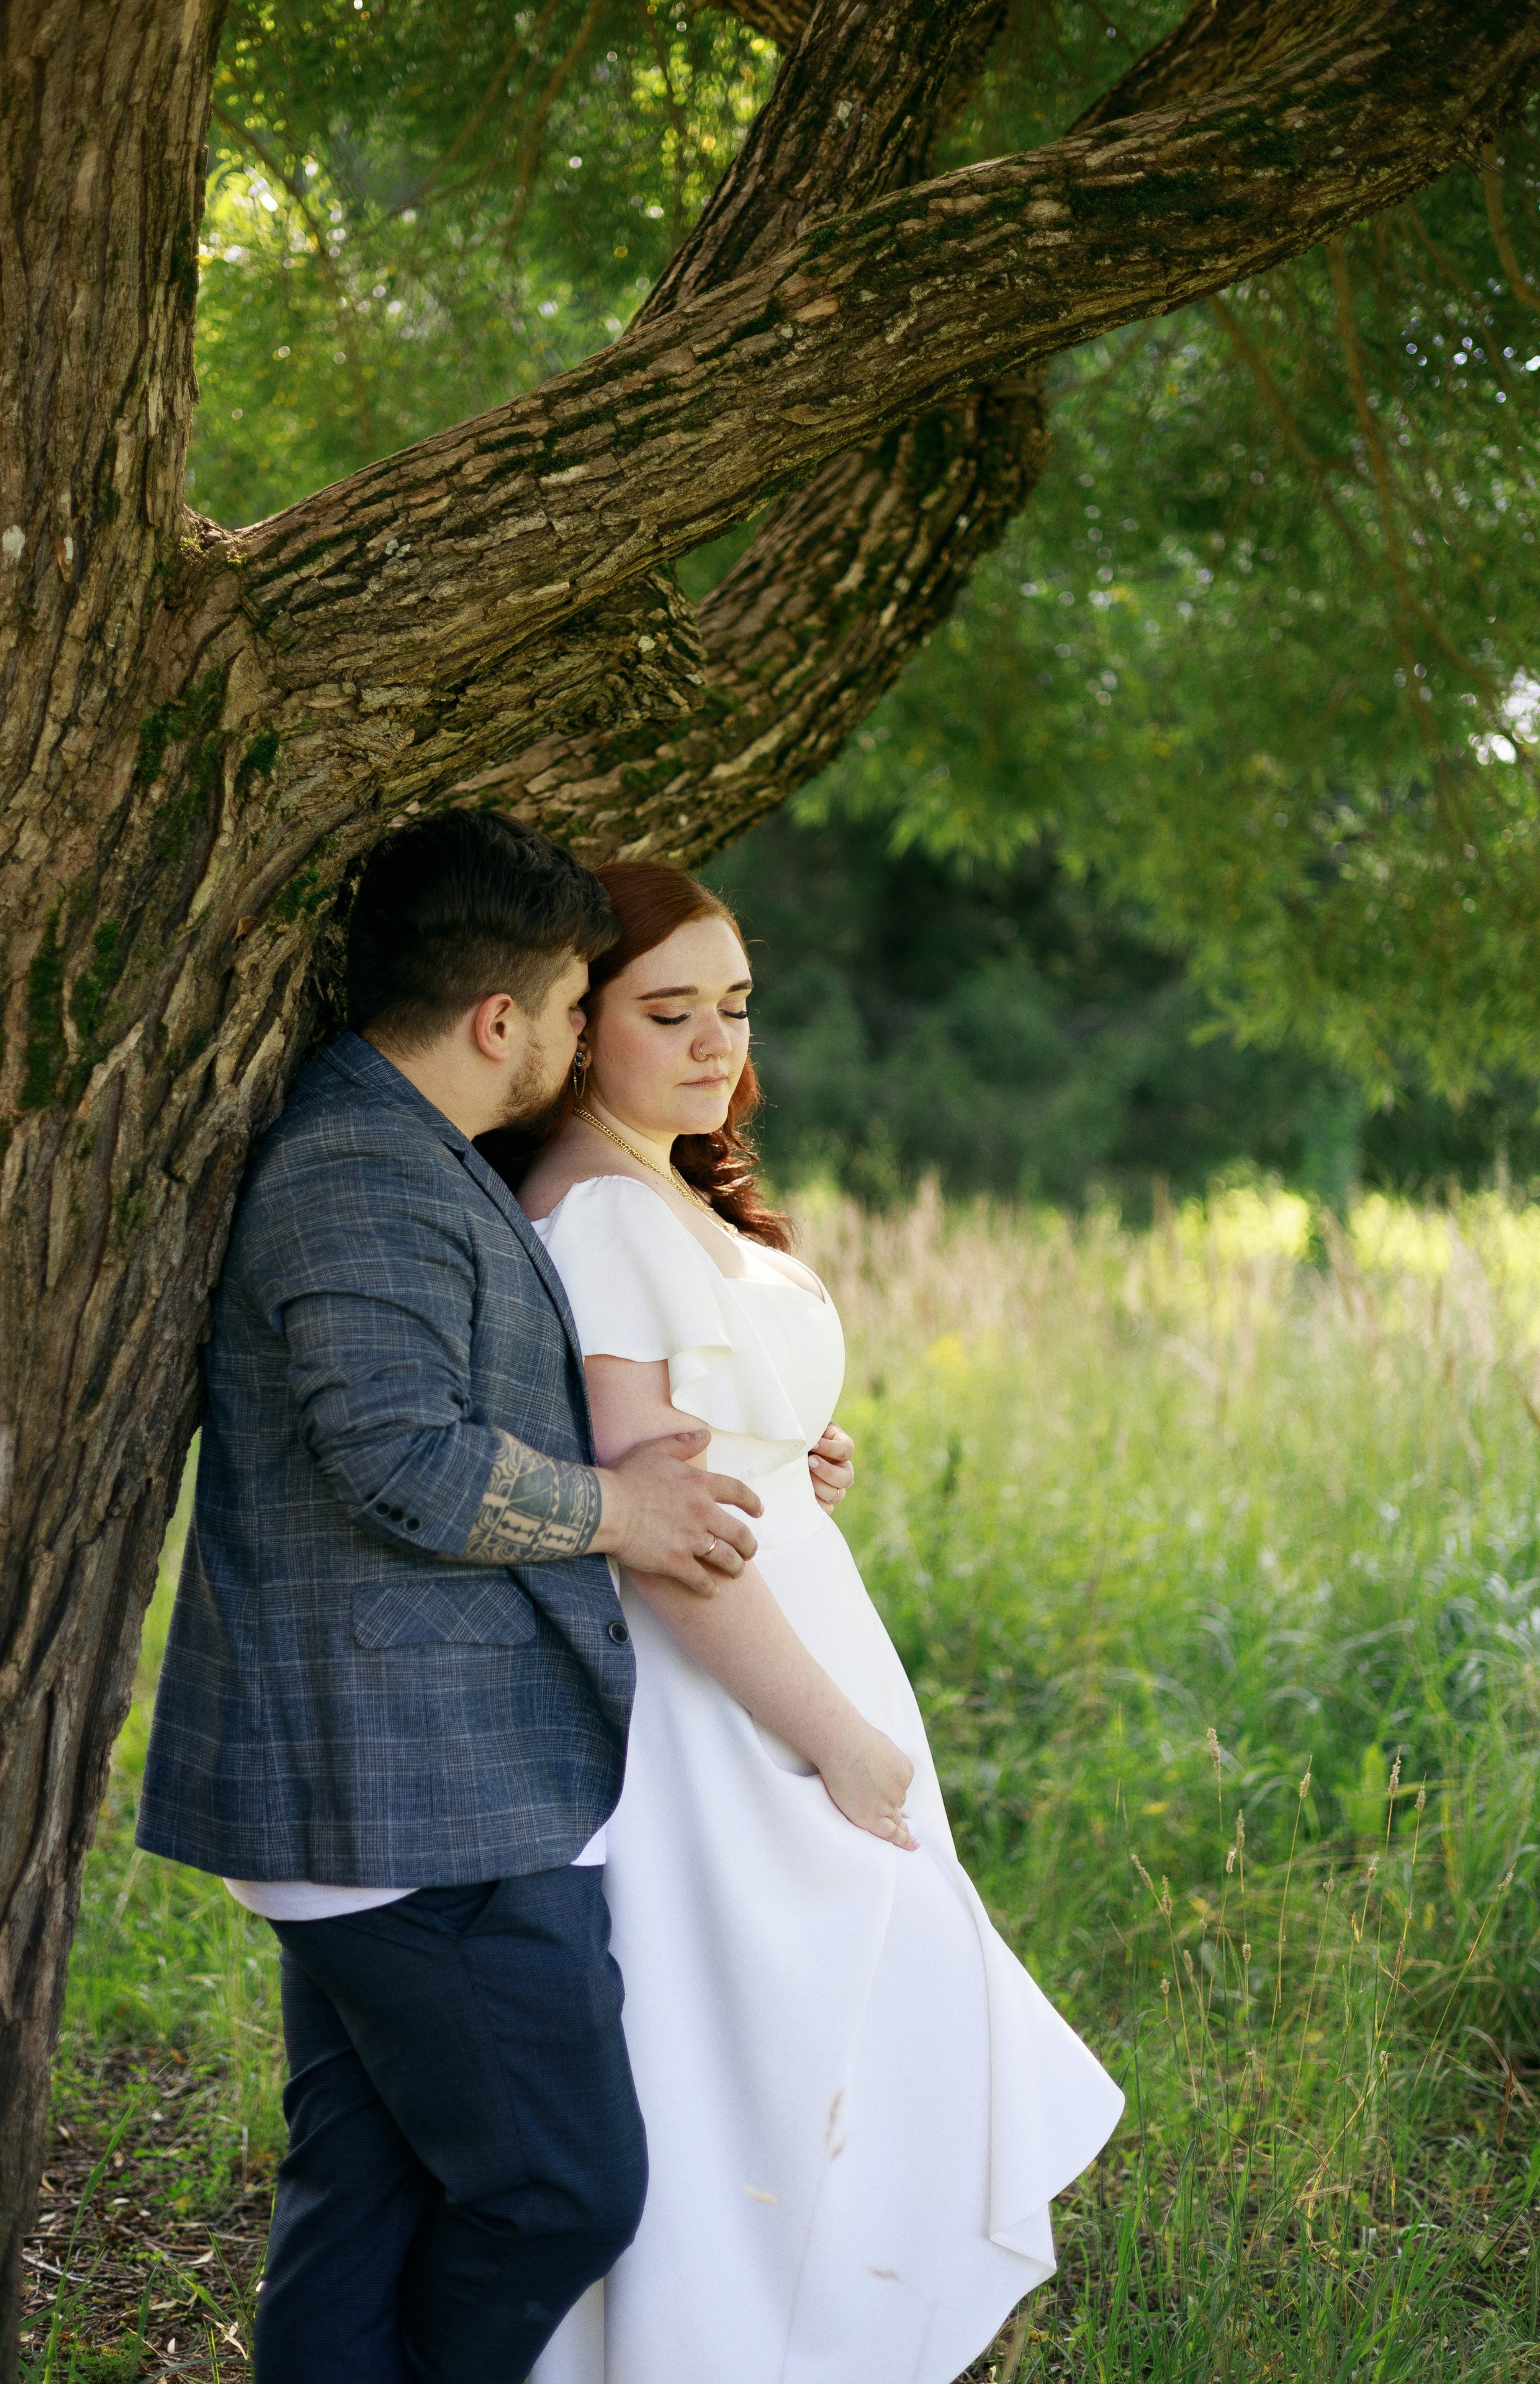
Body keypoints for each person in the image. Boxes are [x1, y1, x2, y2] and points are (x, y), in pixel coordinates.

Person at [135, 812, 770, 2384]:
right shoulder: (359, 1163)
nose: (576, 1032)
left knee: (362, 2196)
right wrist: (627, 1508)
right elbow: (401, 1458)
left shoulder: (404, 1146)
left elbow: (481, 1395)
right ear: (501, 1019)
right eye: (572, 1005)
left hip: (400, 1787)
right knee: (562, 2192)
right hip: (410, 1797)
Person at [512, 861, 1125, 2384]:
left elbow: (693, 1446)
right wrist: (836, 1741)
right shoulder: (597, 1211)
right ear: (578, 1024)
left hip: (792, 1654)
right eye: (671, 1010)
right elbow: (654, 1543)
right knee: (772, 2060)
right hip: (733, 1709)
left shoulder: (657, 1179)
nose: (716, 1040)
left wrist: (791, 1446)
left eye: (732, 1004)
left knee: (847, 2051)